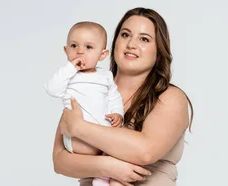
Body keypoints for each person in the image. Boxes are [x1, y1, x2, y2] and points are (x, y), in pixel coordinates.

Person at [52, 7, 194, 186]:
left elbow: (146, 151)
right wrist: (108, 167)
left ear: (159, 52)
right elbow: (59, 161)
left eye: (144, 39)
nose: (131, 44)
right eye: (125, 35)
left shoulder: (170, 97)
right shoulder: (87, 88)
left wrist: (79, 127)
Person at [45, 21, 125, 186]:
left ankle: (103, 178)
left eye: (88, 47)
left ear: (102, 55)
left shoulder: (106, 76)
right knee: (103, 150)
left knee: (119, 148)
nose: (80, 51)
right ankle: (102, 173)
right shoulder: (68, 76)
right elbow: (52, 89)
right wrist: (69, 68)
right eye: (74, 46)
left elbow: (114, 97)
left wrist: (118, 113)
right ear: (66, 51)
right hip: (77, 138)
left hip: (101, 132)